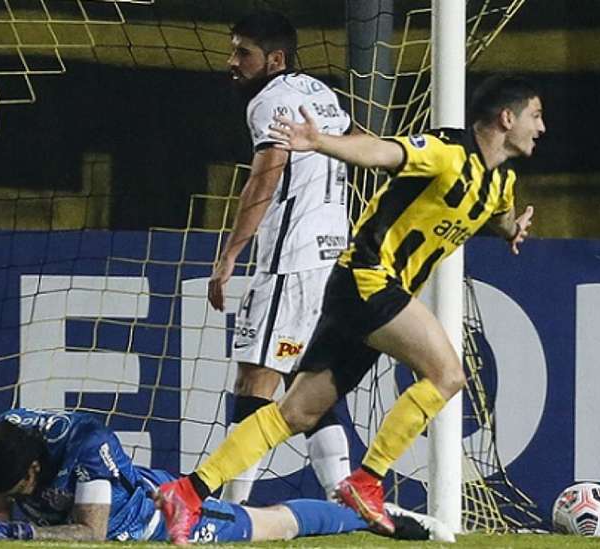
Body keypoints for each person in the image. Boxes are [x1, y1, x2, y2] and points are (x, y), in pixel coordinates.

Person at [155, 74, 545, 543]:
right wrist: (320, 142)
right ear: (507, 117)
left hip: (359, 293)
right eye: (535, 116)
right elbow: (383, 152)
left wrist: (511, 230)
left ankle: (189, 491)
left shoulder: (500, 181)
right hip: (366, 278)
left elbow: (496, 213)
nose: (541, 128)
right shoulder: (447, 153)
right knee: (447, 375)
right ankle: (367, 481)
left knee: (293, 414)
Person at [208, 11, 352, 503]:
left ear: (275, 59)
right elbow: (358, 145)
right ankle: (344, 498)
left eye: (242, 53)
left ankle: (231, 507)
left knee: (255, 377)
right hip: (331, 256)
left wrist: (229, 255)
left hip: (290, 261)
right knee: (304, 381)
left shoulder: (271, 100)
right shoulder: (321, 93)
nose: (232, 63)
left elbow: (266, 173)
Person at [0, 408, 453, 544]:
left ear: (36, 468)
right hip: (115, 493)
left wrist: (14, 531)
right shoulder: (2, 440)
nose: (5, 499)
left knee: (269, 525)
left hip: (147, 519)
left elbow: (91, 534)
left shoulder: (86, 447)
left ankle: (362, 517)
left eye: (16, 489)